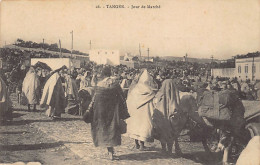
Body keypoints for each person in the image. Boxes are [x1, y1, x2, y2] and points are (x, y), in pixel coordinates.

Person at [87, 66, 129, 160]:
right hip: (113, 110)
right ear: (110, 73)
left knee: (104, 129)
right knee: (112, 129)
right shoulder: (115, 83)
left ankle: (110, 150)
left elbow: (95, 98)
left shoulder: (100, 84)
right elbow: (122, 96)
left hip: (101, 111)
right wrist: (124, 110)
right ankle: (111, 151)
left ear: (103, 74)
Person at [125, 69, 157, 150]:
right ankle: (142, 145)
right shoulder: (149, 91)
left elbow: (129, 101)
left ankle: (136, 144)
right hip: (144, 114)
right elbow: (153, 103)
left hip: (135, 113)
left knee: (136, 127)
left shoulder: (134, 90)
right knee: (143, 127)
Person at [153, 79, 181, 153]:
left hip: (161, 119)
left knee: (162, 133)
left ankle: (163, 149)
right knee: (170, 134)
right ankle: (169, 150)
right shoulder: (174, 96)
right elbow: (175, 108)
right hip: (170, 119)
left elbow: (155, 105)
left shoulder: (159, 95)